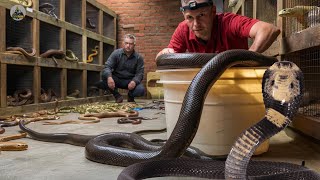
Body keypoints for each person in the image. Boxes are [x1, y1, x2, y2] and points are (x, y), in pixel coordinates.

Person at [156, 0, 280, 58]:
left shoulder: (229, 22)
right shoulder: (183, 29)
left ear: (213, 11)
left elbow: (269, 30)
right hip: (205, 83)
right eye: (190, 17)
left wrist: (247, 57)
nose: (195, 24)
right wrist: (164, 54)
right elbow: (162, 58)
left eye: (201, 15)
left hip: (237, 79)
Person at [94, 34, 145, 103]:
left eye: (131, 44)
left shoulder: (138, 58)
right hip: (117, 79)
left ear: (134, 45)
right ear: (123, 43)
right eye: (126, 43)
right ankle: (117, 96)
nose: (128, 46)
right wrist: (109, 77)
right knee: (104, 76)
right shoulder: (116, 53)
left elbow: (140, 73)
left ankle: (130, 96)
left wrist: (134, 81)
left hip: (130, 81)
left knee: (141, 90)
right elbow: (107, 67)